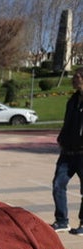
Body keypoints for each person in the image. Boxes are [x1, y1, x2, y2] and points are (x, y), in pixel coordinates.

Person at [51, 67, 83, 234]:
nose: (73, 79)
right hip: (68, 151)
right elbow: (67, 122)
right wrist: (62, 138)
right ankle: (62, 221)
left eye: (76, 77)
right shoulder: (72, 100)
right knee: (58, 184)